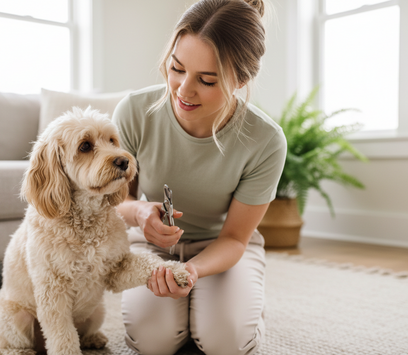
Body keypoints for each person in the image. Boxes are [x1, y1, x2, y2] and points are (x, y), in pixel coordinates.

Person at [112, 0, 286, 354]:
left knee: (225, 342)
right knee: (154, 342)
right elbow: (117, 202)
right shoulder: (133, 112)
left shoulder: (265, 141)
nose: (182, 90)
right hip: (151, 247)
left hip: (222, 247)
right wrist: (141, 214)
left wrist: (191, 271)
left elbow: (236, 238)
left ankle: (239, 303)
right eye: (177, 68)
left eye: (206, 80)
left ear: (241, 80)